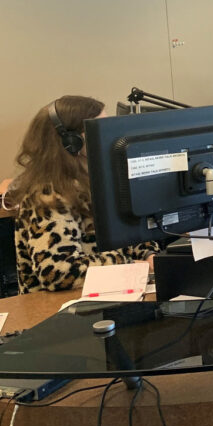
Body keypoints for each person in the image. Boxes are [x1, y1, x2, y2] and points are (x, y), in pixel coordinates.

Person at [12, 96, 159, 294]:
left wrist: (149, 255)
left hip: (108, 297)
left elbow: (129, 234)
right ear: (72, 143)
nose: (110, 137)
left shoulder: (98, 180)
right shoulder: (47, 195)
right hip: (60, 311)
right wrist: (131, 265)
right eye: (101, 131)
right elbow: (59, 273)